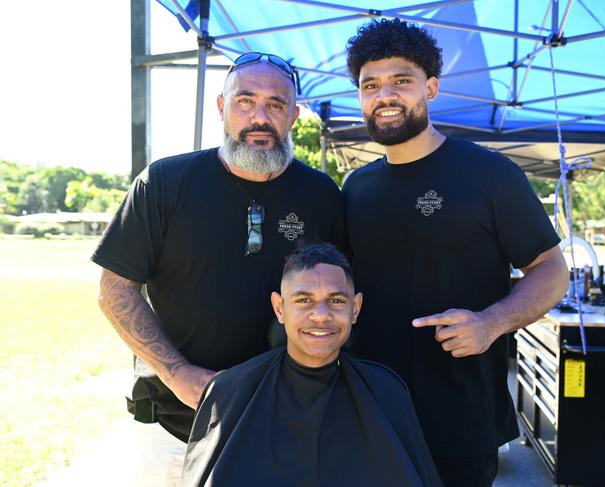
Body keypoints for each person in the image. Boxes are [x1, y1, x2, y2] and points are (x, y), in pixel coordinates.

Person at [92, 53, 345, 485]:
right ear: (221, 107)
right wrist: (178, 374)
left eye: (276, 105)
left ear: (295, 116)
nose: (259, 117)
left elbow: (340, 298)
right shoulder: (164, 183)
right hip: (173, 424)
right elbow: (115, 290)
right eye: (245, 101)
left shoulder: (323, 195)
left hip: (284, 422)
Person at [343, 19, 568, 487]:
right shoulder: (354, 188)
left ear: (431, 87)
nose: (385, 95)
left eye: (400, 81)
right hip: (371, 416)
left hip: (462, 420)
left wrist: (491, 323)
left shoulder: (489, 173)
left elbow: (551, 270)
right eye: (370, 85)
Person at [181, 243, 442, 487]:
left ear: (356, 308)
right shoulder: (230, 391)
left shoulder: (387, 393)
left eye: (336, 301)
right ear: (280, 308)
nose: (321, 315)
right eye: (304, 300)